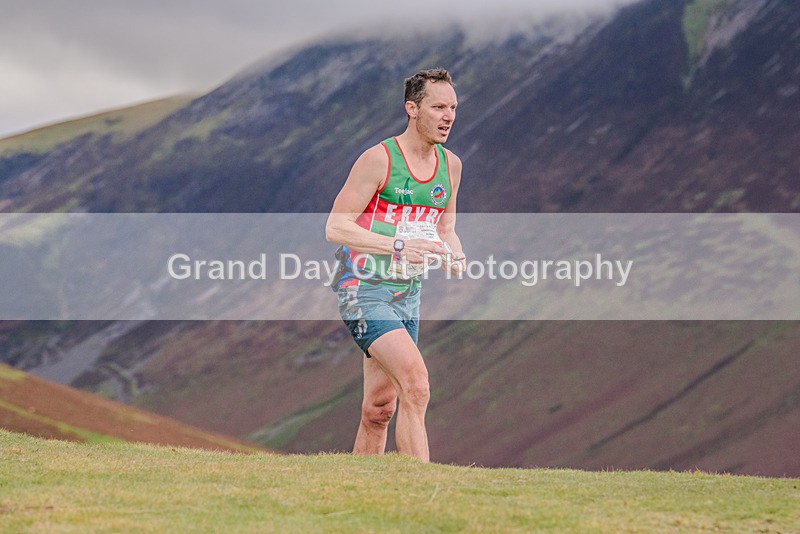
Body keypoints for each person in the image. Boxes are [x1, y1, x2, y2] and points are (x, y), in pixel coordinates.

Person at [325, 68, 466, 463]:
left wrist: (454, 253)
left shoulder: (450, 165)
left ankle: (359, 492)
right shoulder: (378, 159)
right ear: (411, 108)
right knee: (416, 384)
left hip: (409, 294)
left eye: (453, 107)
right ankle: (420, 493)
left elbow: (447, 228)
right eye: (438, 106)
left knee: (380, 409)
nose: (448, 116)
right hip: (363, 289)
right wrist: (398, 244)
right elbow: (336, 227)